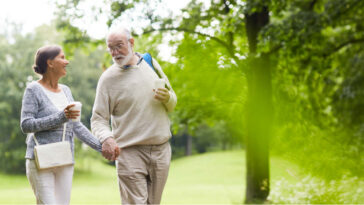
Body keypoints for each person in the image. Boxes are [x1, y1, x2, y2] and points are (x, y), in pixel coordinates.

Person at [91, 27, 177, 204]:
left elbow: (173, 101)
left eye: (119, 46)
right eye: (111, 48)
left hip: (161, 150)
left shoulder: (150, 62)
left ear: (131, 43)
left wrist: (168, 98)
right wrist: (106, 138)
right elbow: (98, 118)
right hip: (129, 152)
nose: (115, 52)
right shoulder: (108, 79)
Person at [20, 45, 103, 204]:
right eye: (62, 57)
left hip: (64, 158)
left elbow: (76, 126)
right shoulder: (33, 89)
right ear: (50, 63)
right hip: (39, 160)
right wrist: (61, 117)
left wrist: (100, 146)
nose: (67, 61)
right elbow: (26, 125)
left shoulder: (66, 90)